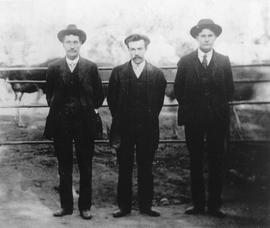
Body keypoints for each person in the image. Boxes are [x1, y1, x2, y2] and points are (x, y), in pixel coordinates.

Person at [174, 19, 234, 217]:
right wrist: (192, 110)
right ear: (196, 38)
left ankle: (215, 205)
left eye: (210, 35)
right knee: (196, 161)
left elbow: (230, 90)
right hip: (194, 120)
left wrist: (217, 108)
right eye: (203, 36)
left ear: (215, 37)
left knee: (217, 161)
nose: (206, 39)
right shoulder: (185, 61)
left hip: (217, 120)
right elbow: (178, 90)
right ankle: (198, 205)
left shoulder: (224, 61)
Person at [44, 24, 104, 219]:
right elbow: (49, 94)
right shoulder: (54, 68)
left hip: (84, 124)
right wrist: (60, 111)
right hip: (61, 124)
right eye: (68, 42)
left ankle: (85, 207)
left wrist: (90, 110)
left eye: (75, 42)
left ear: (81, 44)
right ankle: (66, 207)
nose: (72, 46)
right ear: (63, 44)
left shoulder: (90, 67)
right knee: (64, 167)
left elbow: (99, 94)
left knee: (86, 166)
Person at [107, 34, 166, 218]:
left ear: (146, 49)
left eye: (140, 48)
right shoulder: (118, 72)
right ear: (128, 50)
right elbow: (112, 100)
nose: (136, 52)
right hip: (124, 129)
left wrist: (146, 119)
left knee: (146, 167)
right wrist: (122, 120)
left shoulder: (156, 74)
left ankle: (146, 206)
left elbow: (158, 102)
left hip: (147, 129)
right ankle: (124, 207)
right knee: (124, 167)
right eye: (132, 49)